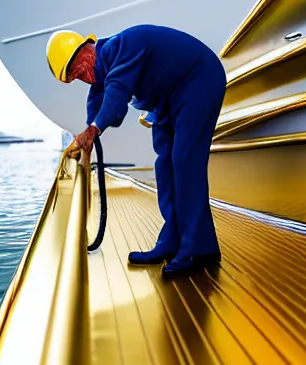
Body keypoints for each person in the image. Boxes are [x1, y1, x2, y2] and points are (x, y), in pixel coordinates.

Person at [46, 24, 227, 279]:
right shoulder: (102, 71)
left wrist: (94, 130)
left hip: (198, 78)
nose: (82, 77)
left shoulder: (120, 47)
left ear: (86, 50)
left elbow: (117, 94)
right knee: (165, 165)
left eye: (78, 71)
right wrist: (88, 137)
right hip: (170, 96)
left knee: (185, 160)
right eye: (75, 77)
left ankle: (199, 248)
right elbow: (97, 103)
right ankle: (172, 241)